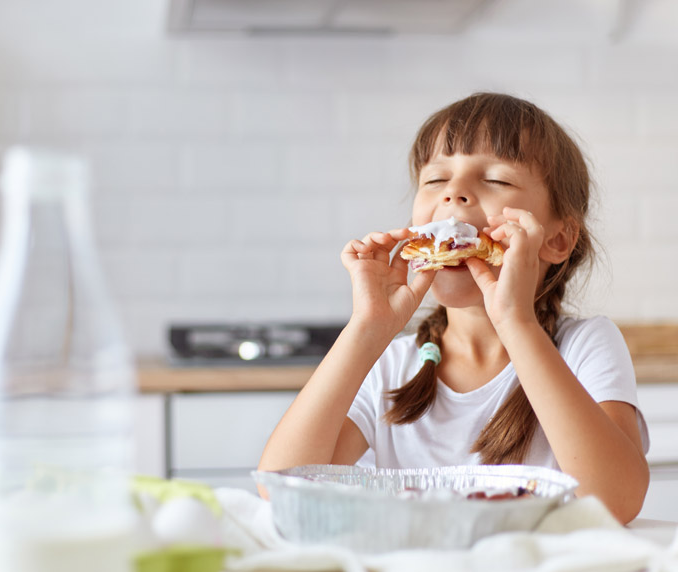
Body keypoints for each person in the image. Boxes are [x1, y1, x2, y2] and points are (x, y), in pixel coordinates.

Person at [258, 92, 650, 524]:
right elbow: (280, 490)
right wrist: (366, 328)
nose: (454, 194)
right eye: (435, 180)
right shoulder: (392, 366)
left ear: (556, 239)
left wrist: (514, 321)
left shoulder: (584, 347)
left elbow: (616, 500)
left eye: (497, 180)